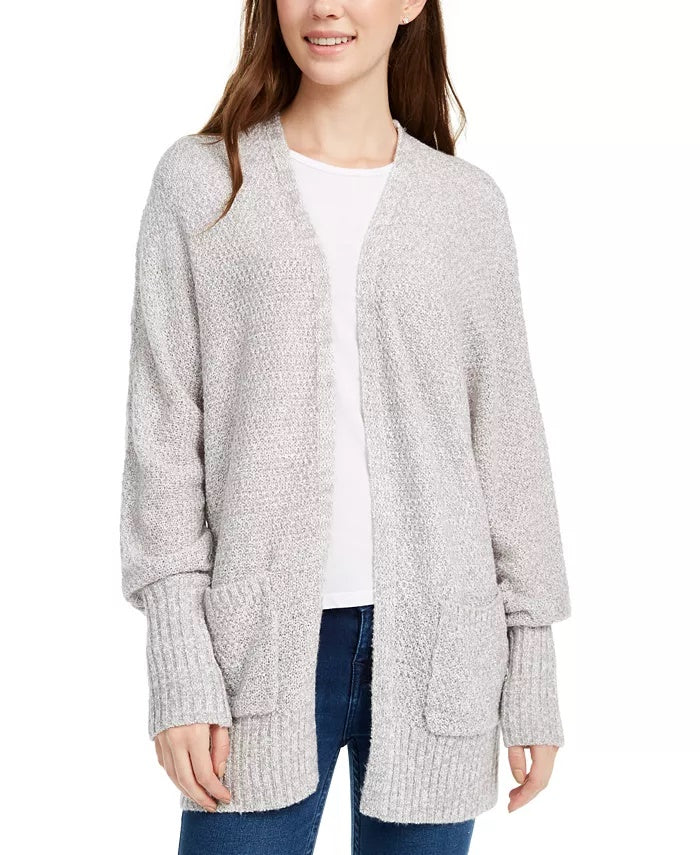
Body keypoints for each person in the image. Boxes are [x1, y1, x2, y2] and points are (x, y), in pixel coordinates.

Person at [120, 1, 573, 853]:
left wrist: (532, 662)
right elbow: (163, 438)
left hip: (444, 641)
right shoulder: (203, 182)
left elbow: (508, 440)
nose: (326, 7)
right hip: (251, 650)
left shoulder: (466, 207)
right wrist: (180, 661)